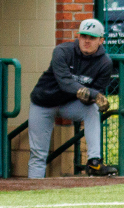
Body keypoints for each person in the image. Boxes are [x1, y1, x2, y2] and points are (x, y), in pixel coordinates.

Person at [28, 18, 115, 178]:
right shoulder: (63, 51)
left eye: (92, 38)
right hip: (43, 102)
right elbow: (65, 82)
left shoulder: (105, 63)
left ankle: (94, 162)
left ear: (101, 40)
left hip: (69, 104)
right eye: (83, 36)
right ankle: (34, 192)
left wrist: (95, 98)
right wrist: (94, 95)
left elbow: (93, 94)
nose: (86, 41)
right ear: (78, 37)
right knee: (38, 155)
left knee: (92, 109)